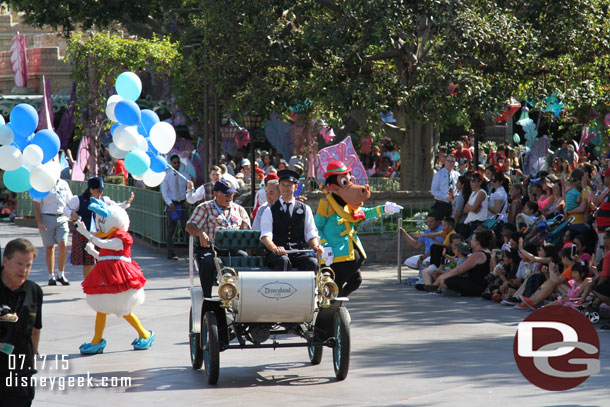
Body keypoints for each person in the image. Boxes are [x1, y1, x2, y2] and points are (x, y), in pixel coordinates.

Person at [185, 179, 251, 297]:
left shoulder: (239, 209)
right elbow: (189, 226)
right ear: (216, 194)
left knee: (244, 258)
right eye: (226, 194)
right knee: (207, 261)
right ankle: (207, 296)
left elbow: (248, 232)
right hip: (211, 248)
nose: (230, 197)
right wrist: (200, 233)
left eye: (231, 194)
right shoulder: (205, 207)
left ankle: (242, 296)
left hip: (233, 248)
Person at [64, 177, 134, 279]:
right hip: (85, 233)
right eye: (98, 190)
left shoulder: (105, 200)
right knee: (89, 263)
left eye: (102, 190)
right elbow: (66, 209)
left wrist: (126, 203)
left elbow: (115, 209)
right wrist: (71, 213)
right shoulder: (78, 200)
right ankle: (89, 283)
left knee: (102, 260)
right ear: (91, 189)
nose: (100, 193)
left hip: (102, 235)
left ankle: (99, 282)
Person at [0, 239, 42, 407]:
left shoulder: (34, 290)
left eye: (28, 265)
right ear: (5, 261)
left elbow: (36, 330)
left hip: (19, 374)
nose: (24, 270)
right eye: (19, 264)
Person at [260, 169, 323, 271]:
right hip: (277, 255)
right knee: (283, 260)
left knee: (312, 262)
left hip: (299, 253)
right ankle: (281, 287)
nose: (286, 188)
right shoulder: (269, 210)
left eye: (289, 185)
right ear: (279, 187)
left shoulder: (305, 209)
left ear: (296, 187)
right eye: (283, 185)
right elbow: (265, 236)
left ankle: (307, 287)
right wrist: (276, 249)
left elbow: (311, 233)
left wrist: (316, 246)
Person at [33, 177, 73, 286]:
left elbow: (70, 201)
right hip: (47, 217)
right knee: (50, 247)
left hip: (62, 217)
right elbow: (36, 204)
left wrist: (73, 215)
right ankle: (51, 276)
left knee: (63, 243)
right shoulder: (42, 183)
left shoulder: (64, 184)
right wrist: (40, 222)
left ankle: (61, 274)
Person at [434, 229, 493, 296]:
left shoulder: (478, 255)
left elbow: (459, 270)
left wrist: (444, 276)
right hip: (481, 283)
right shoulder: (488, 251)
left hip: (477, 285)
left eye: (472, 240)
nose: (470, 241)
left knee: (448, 280)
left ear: (477, 242)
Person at [161, 155, 190, 260]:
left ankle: (191, 250)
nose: (177, 164)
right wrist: (169, 203)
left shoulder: (185, 176)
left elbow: (190, 189)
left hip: (183, 203)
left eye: (178, 162)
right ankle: (170, 252)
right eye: (174, 162)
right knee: (171, 229)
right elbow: (164, 191)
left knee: (187, 226)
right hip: (173, 204)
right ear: (171, 163)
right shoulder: (167, 177)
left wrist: (189, 200)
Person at [431, 154, 459, 219]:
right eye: (449, 161)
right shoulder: (438, 175)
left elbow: (459, 189)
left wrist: (455, 196)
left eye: (453, 162)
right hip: (441, 204)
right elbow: (434, 190)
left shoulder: (457, 175)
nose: (451, 163)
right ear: (445, 161)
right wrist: (446, 197)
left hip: (453, 205)